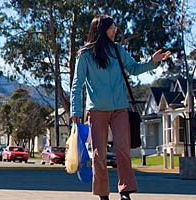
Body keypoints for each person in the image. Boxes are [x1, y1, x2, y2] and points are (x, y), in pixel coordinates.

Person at [70, 15, 171, 200]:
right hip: (97, 110)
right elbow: (77, 84)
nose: (115, 30)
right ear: (101, 30)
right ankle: (103, 194)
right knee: (99, 154)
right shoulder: (85, 55)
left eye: (115, 27)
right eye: (112, 27)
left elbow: (133, 68)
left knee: (122, 150)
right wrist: (75, 111)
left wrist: (153, 61)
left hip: (120, 109)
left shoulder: (117, 51)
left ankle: (125, 191)